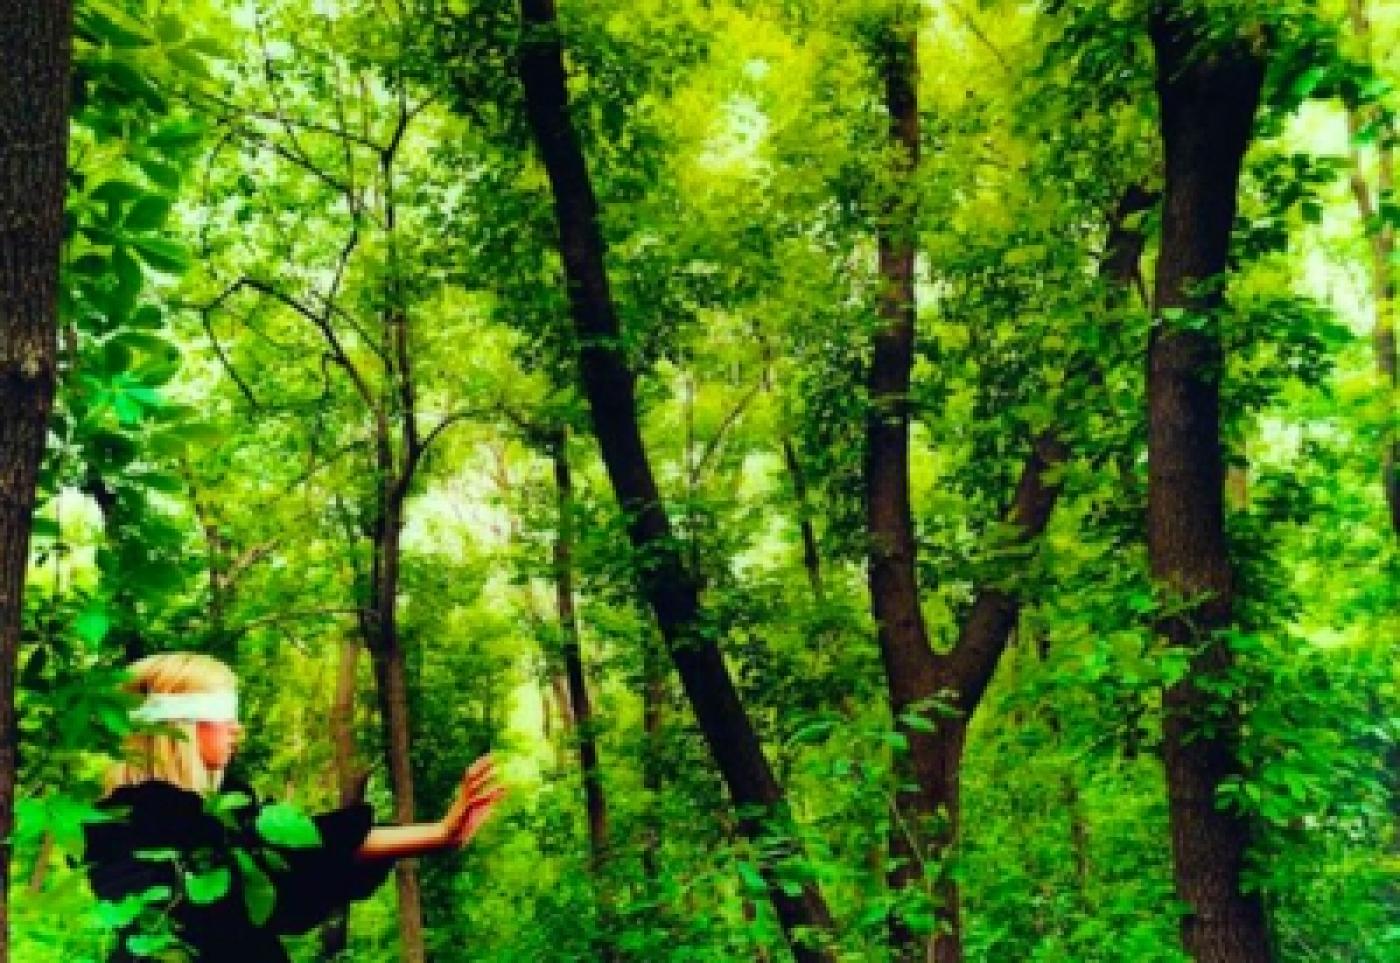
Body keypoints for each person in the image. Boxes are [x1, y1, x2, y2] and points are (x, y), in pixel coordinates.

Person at [82, 651, 504, 962]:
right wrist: (438, 834)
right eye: (222, 713)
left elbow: (305, 851)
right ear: (179, 726)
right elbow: (295, 856)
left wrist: (441, 833)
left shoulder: (223, 815)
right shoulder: (128, 825)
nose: (236, 728)